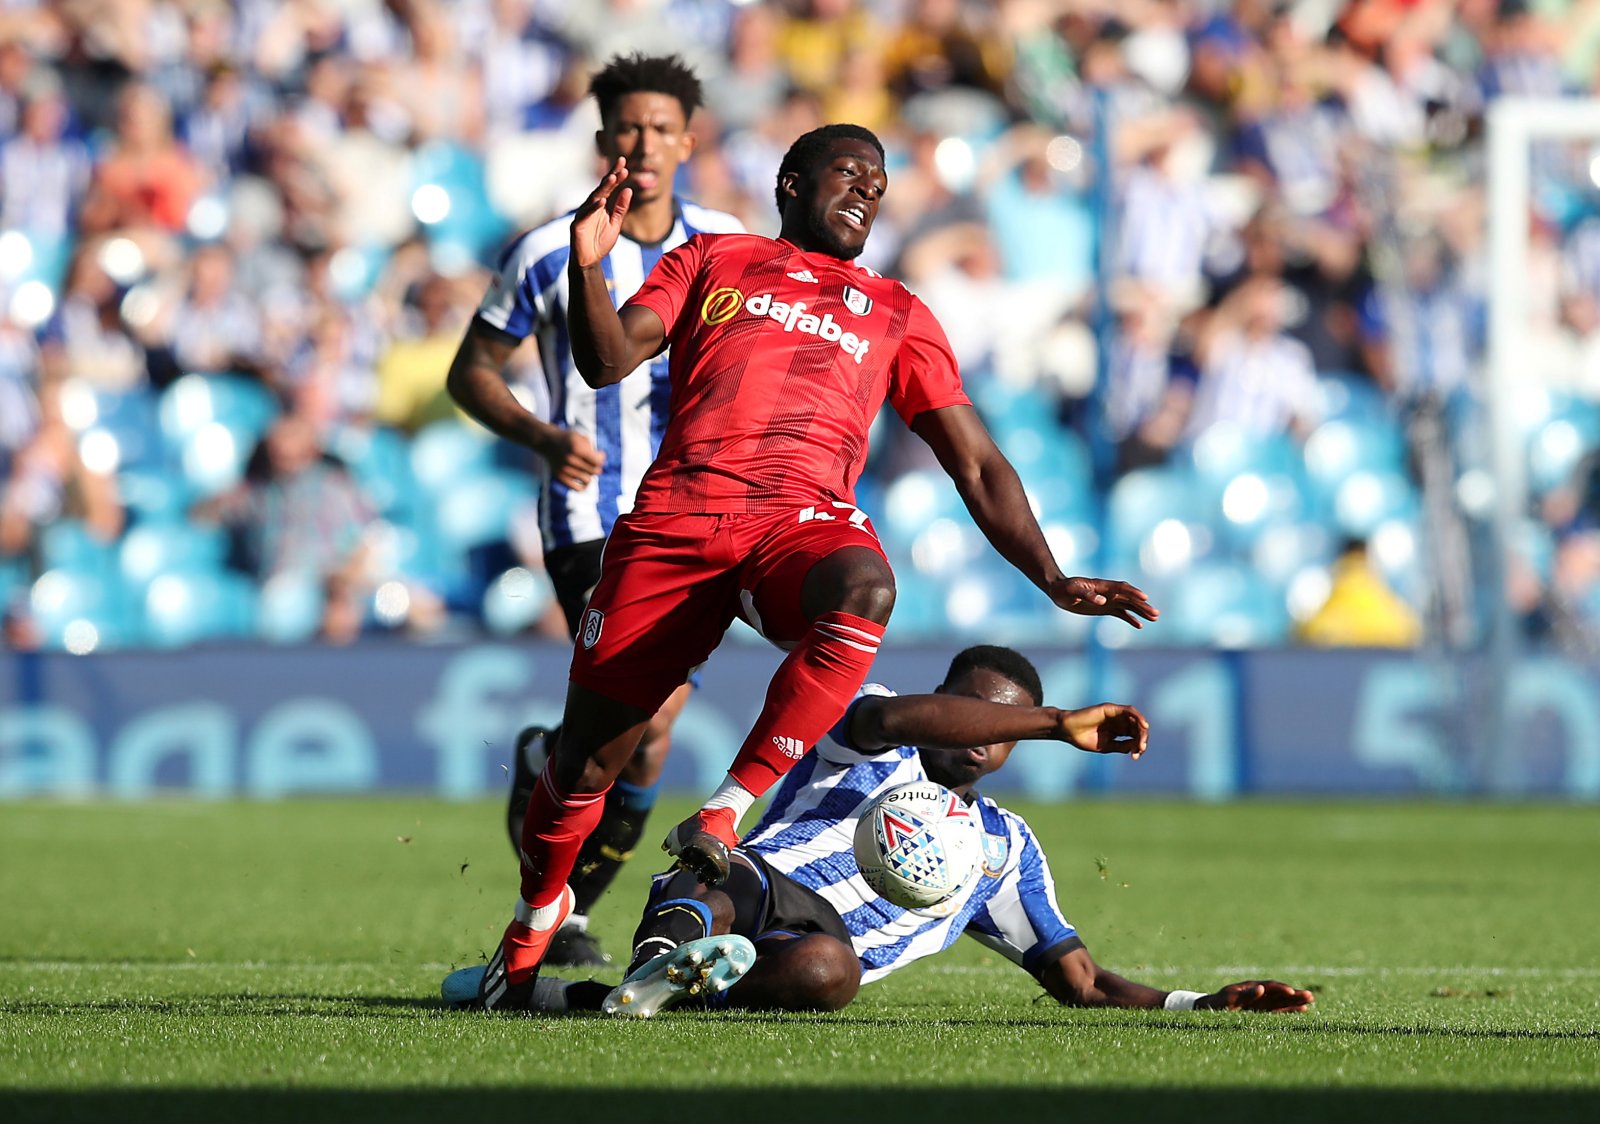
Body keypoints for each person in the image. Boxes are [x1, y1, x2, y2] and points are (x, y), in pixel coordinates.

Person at [462, 122, 1158, 1012]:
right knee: (588, 768)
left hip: (798, 525)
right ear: (791, 183)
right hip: (677, 523)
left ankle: (723, 811)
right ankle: (528, 933)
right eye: (849, 172)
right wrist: (590, 266)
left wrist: (1053, 578)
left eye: (880, 179)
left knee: (866, 586)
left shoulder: (897, 312)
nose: (868, 189)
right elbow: (605, 359)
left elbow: (976, 462)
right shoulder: (714, 259)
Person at [445, 646, 1312, 1020]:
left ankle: (595, 995)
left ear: (1013, 750)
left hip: (808, 948)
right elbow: (896, 711)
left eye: (999, 730)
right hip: (753, 884)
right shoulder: (873, 732)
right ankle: (655, 973)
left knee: (831, 972)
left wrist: (1200, 1002)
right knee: (714, 877)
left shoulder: (1003, 850)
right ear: (944, 700)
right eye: (968, 711)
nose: (978, 735)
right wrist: (1056, 720)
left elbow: (1079, 983)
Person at [445, 53, 744, 967]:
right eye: (628, 127)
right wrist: (543, 437)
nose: (644, 144)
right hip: (588, 514)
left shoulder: (728, 246)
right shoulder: (547, 251)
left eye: (662, 128)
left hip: (695, 515)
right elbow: (471, 372)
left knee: (648, 744)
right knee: (646, 722)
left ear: (688, 140)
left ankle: (562, 889)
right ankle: (562, 923)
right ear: (602, 137)